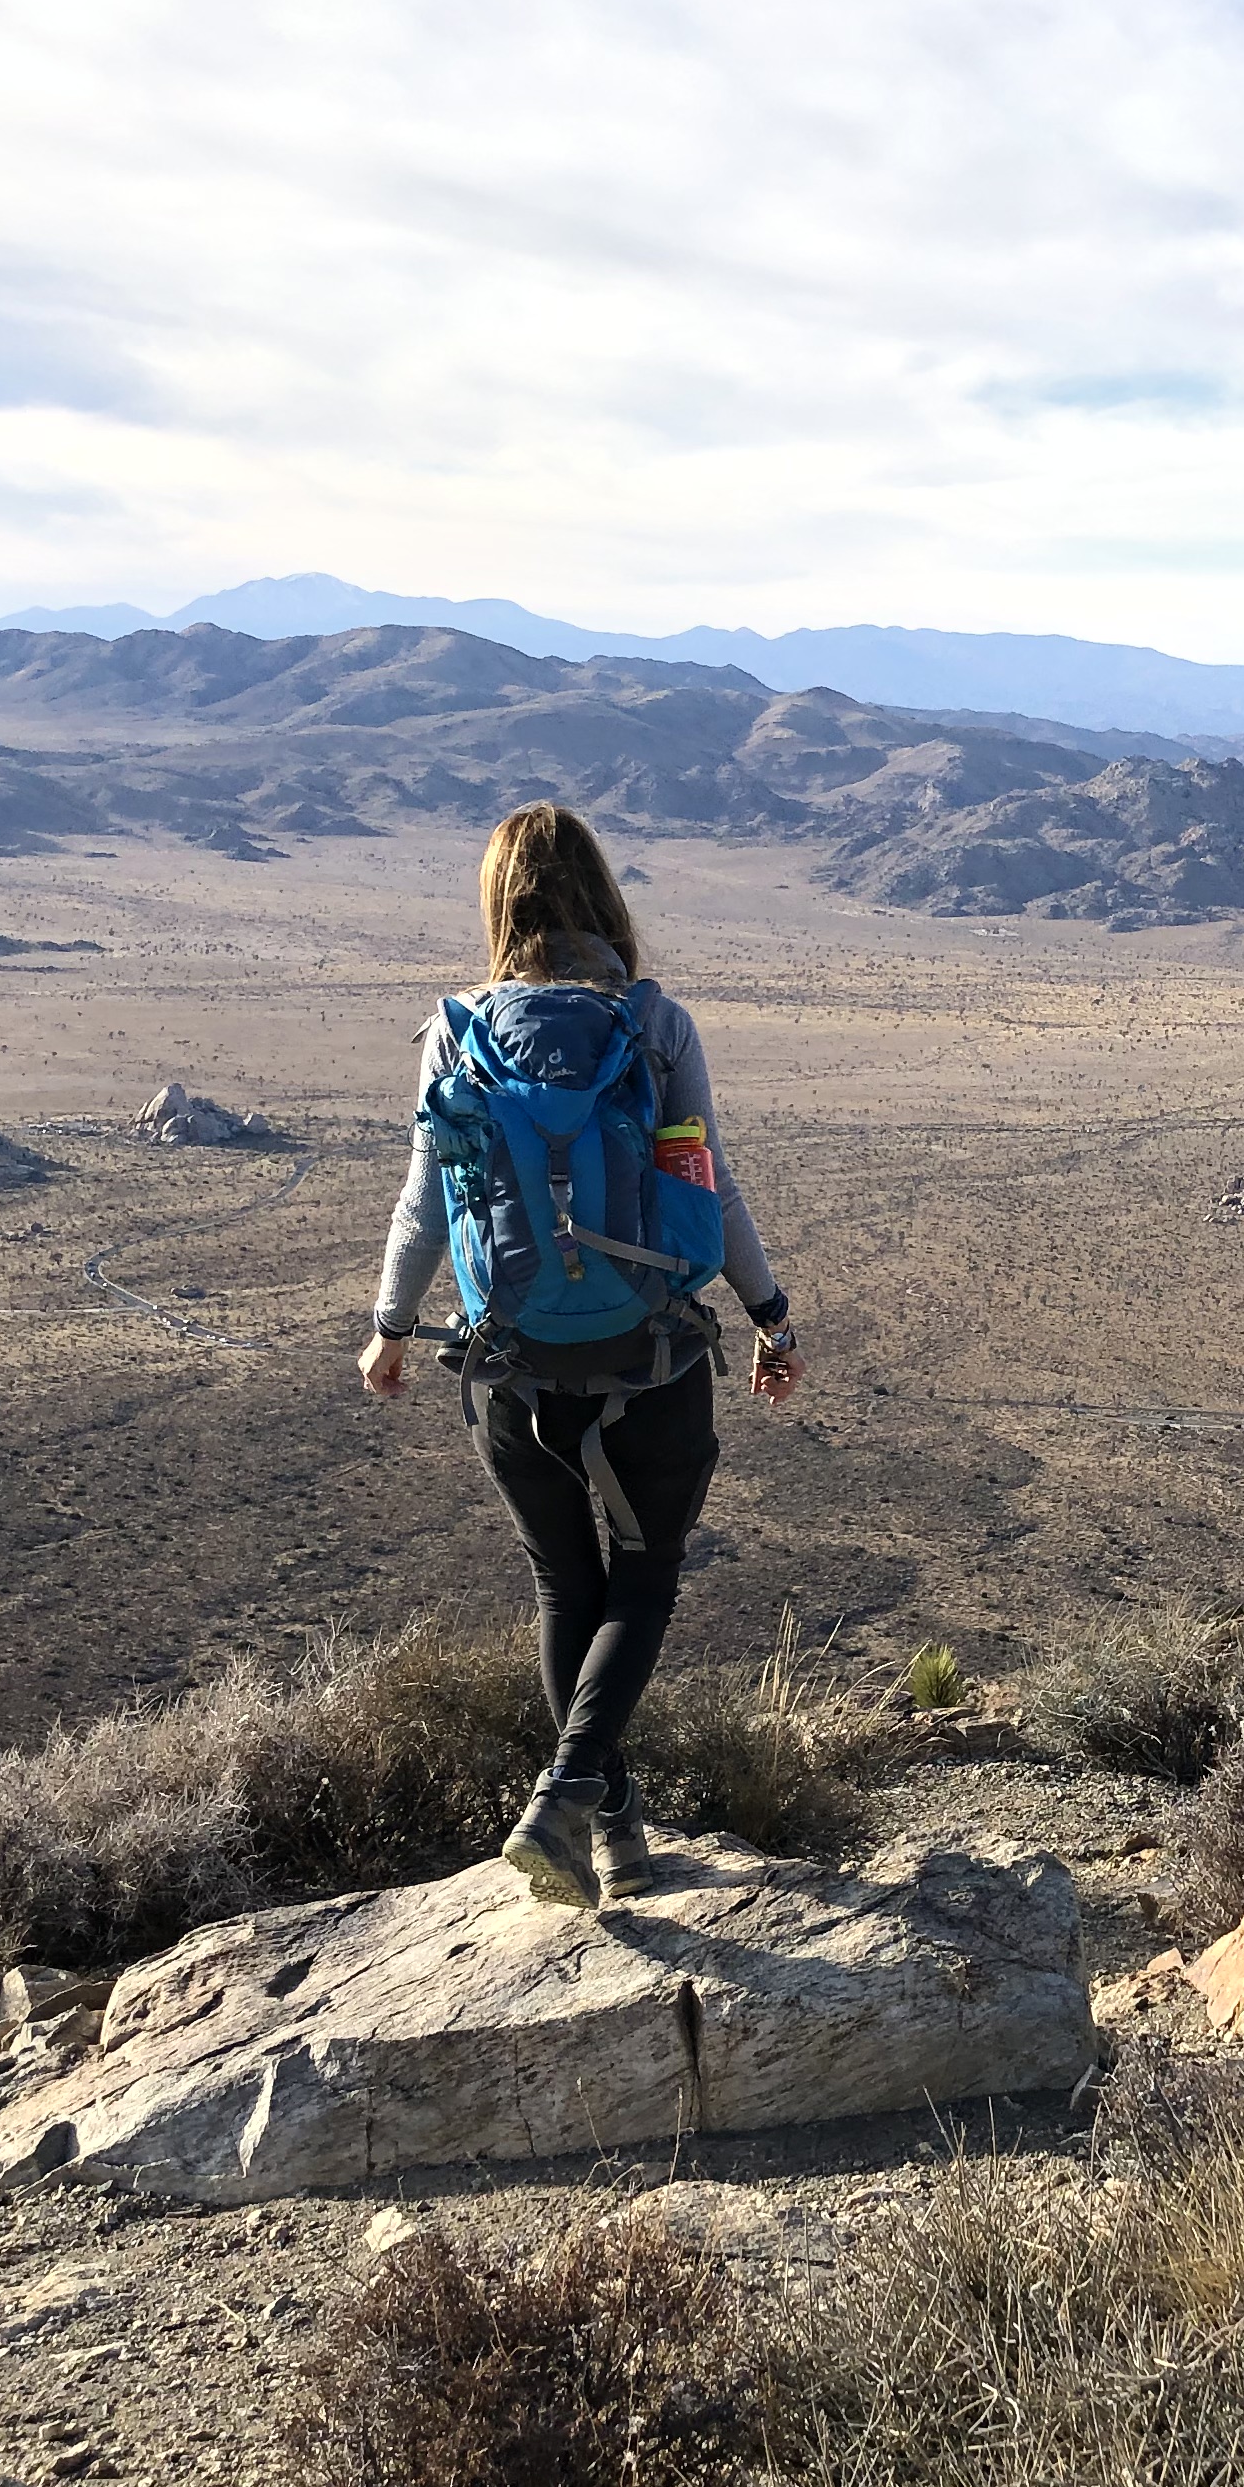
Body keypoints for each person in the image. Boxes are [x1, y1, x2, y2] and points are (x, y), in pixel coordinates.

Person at [361, 804, 800, 1905]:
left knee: (566, 1583)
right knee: (643, 1576)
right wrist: (769, 1315)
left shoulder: (456, 1032)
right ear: (604, 896)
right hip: (649, 1359)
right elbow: (712, 1188)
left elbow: (424, 1202)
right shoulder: (655, 1029)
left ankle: (613, 1831)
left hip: (510, 1365)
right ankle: (570, 1801)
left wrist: (390, 1330)